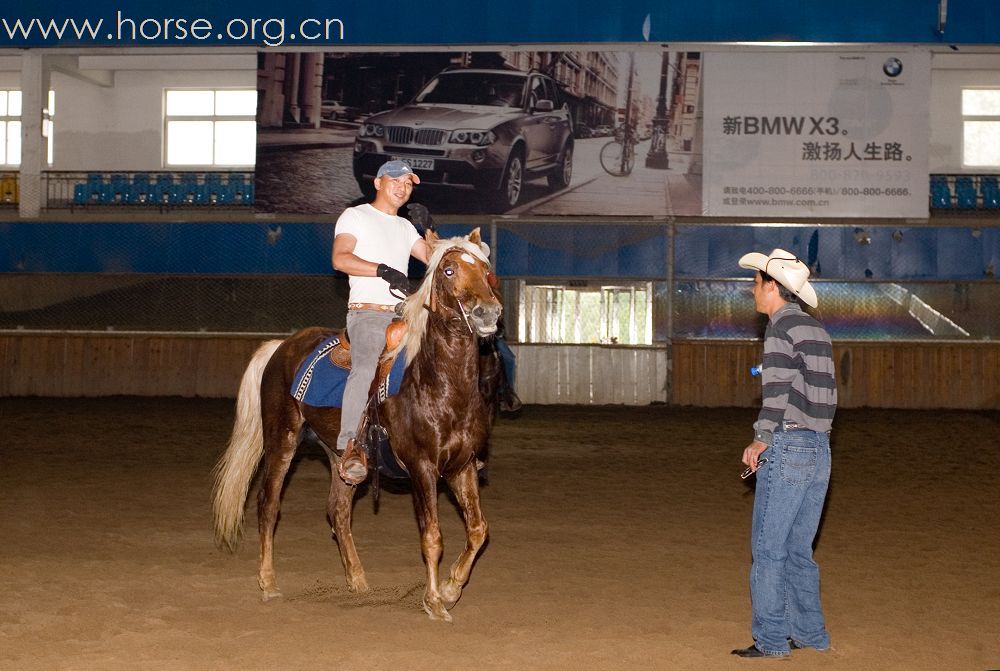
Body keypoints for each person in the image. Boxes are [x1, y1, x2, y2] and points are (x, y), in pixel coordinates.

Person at [731, 248, 837, 659]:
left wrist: (761, 438)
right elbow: (826, 396)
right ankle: (811, 633)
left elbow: (775, 392)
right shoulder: (815, 329)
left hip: (788, 445)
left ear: (771, 285)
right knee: (798, 551)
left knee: (769, 550)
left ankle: (772, 641)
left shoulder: (779, 330)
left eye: (756, 283)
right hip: (820, 448)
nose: (753, 291)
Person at [332, 159, 429, 485]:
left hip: (405, 314)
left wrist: (430, 230)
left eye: (409, 184)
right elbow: (340, 258)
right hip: (368, 313)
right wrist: (382, 270)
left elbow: (435, 259)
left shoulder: (405, 227)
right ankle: (350, 446)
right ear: (378, 183)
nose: (403, 188)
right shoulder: (356, 215)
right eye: (396, 181)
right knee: (366, 366)